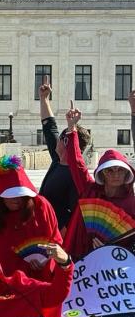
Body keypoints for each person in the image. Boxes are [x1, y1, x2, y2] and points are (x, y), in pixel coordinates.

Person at [63, 102, 135, 259]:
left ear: (126, 174)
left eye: (120, 170)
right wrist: (71, 128)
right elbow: (76, 163)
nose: (115, 174)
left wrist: (112, 247)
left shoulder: (132, 203)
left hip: (116, 265)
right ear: (102, 174)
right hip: (82, 257)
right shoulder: (90, 190)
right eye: (110, 170)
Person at [0, 155, 62, 281]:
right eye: (10, 195)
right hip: (4, 281)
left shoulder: (41, 206)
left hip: (38, 279)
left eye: (20, 195)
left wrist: (46, 261)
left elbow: (55, 240)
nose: (16, 200)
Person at [38, 78, 90, 231]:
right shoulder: (58, 160)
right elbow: (49, 127)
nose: (56, 142)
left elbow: (74, 213)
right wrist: (44, 98)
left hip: (57, 234)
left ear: (67, 143)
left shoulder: (76, 175)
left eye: (61, 139)